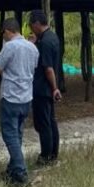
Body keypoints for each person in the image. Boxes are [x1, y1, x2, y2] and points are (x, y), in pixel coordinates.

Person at [0, 18, 39, 187]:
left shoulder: (10, 47)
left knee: (10, 136)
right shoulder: (32, 47)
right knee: (18, 135)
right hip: (26, 97)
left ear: (7, 31)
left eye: (3, 33)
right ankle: (12, 170)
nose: (3, 37)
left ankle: (21, 173)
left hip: (11, 97)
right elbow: (33, 68)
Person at [28, 10, 63, 166]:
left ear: (36, 24)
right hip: (48, 88)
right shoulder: (53, 37)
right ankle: (54, 153)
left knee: (43, 124)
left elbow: (48, 68)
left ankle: (46, 156)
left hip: (43, 88)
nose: (31, 29)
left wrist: (54, 88)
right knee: (51, 121)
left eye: (31, 25)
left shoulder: (45, 42)